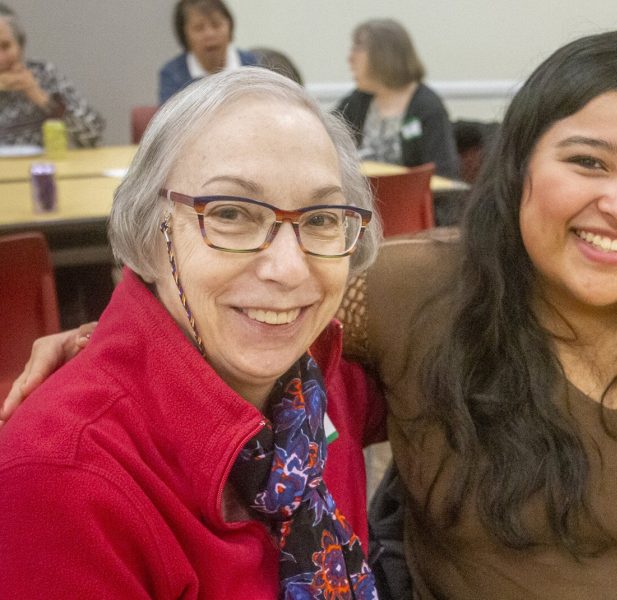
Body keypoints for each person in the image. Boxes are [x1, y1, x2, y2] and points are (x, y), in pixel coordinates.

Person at [7, 30, 617, 599]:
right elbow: (251, 311)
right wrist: (112, 344)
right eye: (587, 161)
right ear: (518, 165)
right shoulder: (415, 292)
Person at [0, 67, 384, 599]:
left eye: (320, 219)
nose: (289, 269)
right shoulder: (62, 480)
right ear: (147, 233)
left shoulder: (325, 381)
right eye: (230, 213)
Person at [336, 19, 459, 179]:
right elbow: (327, 140)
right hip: (361, 200)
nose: (350, 59)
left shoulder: (427, 106)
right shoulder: (358, 101)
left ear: (383, 55)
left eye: (357, 48)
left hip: (409, 200)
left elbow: (444, 174)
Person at [0, 3, 104, 147]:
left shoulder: (44, 74)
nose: (1, 58)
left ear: (20, 46)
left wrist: (42, 98)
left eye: (5, 46)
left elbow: (94, 136)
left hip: (40, 167)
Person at [158, 0, 258, 104]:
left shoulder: (251, 64)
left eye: (216, 25)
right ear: (184, 35)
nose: (209, 34)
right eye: (199, 28)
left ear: (230, 27)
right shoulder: (172, 74)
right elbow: (173, 119)